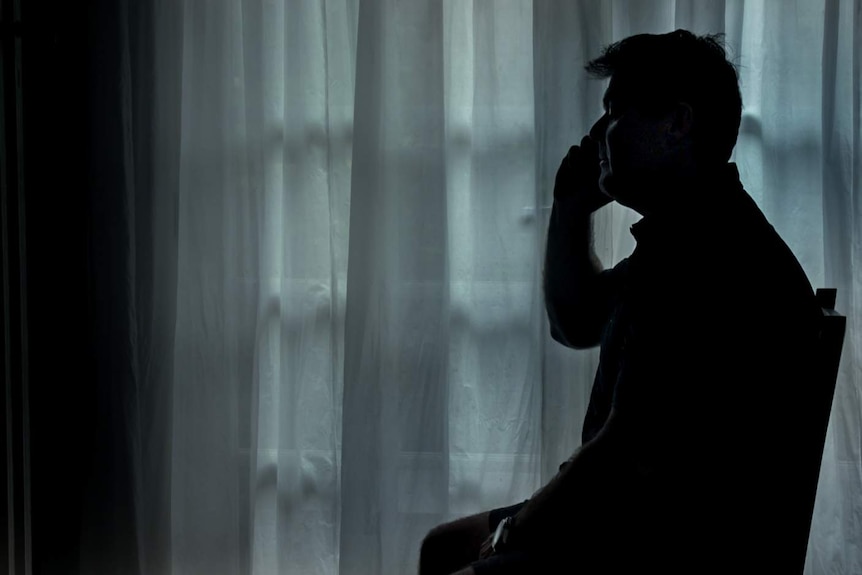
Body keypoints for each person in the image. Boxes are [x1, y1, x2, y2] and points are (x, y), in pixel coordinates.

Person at [419, 29, 823, 575]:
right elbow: (577, 321)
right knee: (444, 546)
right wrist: (571, 209)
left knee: (457, 556)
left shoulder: (710, 257)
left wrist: (513, 530)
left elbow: (622, 454)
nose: (598, 133)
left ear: (677, 123)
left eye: (615, 112)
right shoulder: (687, 234)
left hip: (671, 546)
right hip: (637, 521)